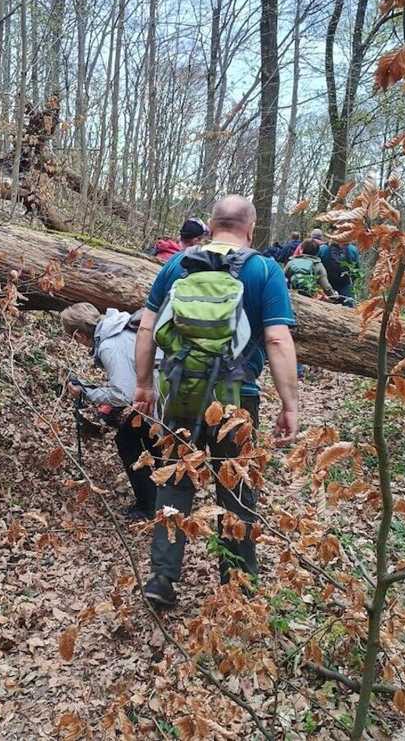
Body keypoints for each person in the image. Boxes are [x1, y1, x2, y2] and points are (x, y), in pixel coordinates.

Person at [133, 195, 299, 608]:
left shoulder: (178, 264)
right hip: (236, 399)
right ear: (251, 228)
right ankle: (238, 586)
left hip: (179, 394)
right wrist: (289, 403)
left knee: (174, 483)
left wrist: (143, 385)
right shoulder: (264, 269)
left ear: (210, 225)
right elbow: (278, 338)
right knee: (236, 489)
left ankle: (161, 580)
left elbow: (147, 326)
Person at [62, 303, 160, 521]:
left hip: (155, 398)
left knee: (128, 440)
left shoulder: (109, 345)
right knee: (148, 440)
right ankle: (162, 498)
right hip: (161, 392)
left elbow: (123, 394)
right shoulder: (119, 327)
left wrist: (86, 393)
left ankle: (149, 506)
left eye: (72, 337)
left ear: (78, 335)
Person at [318, 237, 360, 302]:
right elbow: (356, 270)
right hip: (345, 285)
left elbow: (317, 267)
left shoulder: (322, 249)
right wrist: (351, 281)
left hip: (326, 284)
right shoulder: (352, 249)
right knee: (347, 306)